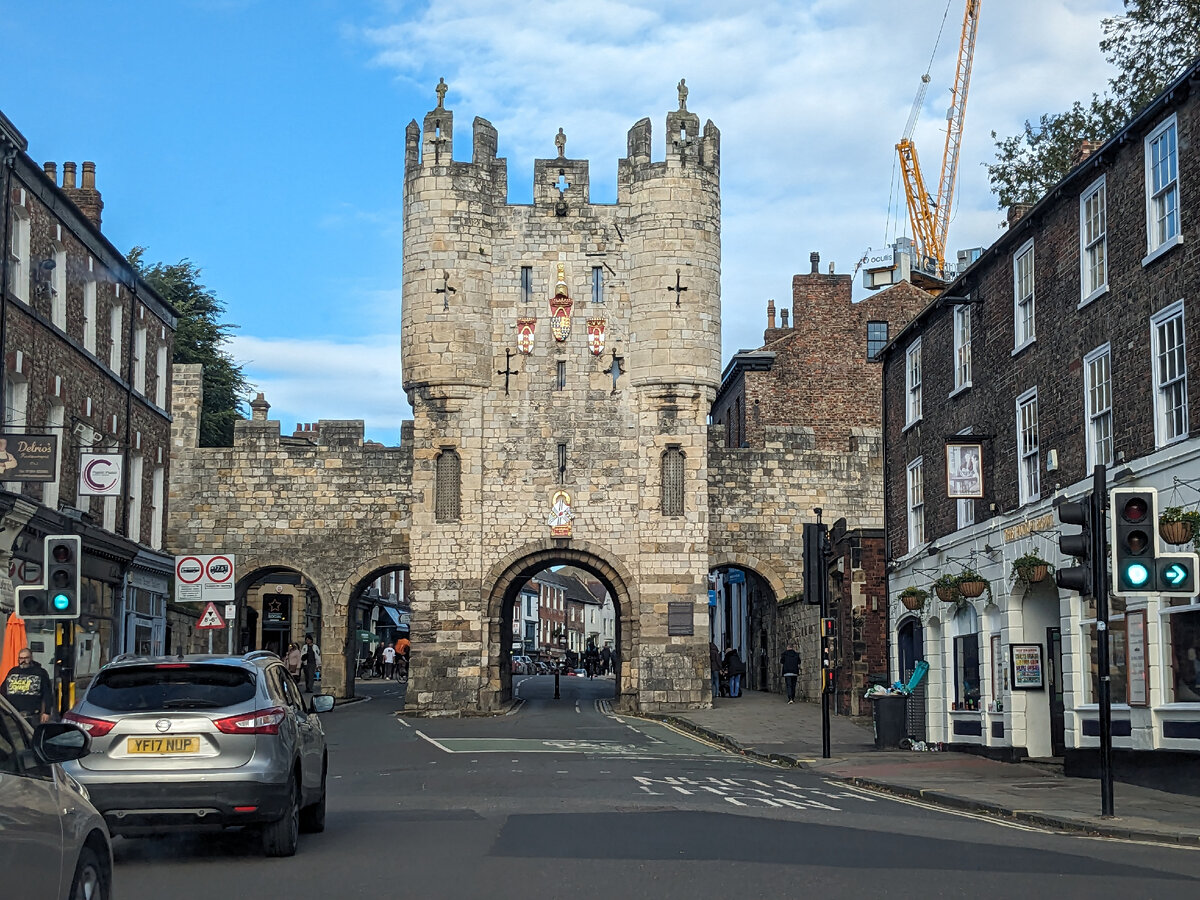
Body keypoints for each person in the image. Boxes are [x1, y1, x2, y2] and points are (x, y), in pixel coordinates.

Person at [1, 647, 54, 728]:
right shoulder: (13, 672)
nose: (23, 661)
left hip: (32, 715)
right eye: (21, 658)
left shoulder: (40, 672)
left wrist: (47, 712)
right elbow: (3, 691)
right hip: (13, 715)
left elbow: (47, 693)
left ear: (31, 658)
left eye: (26, 658)